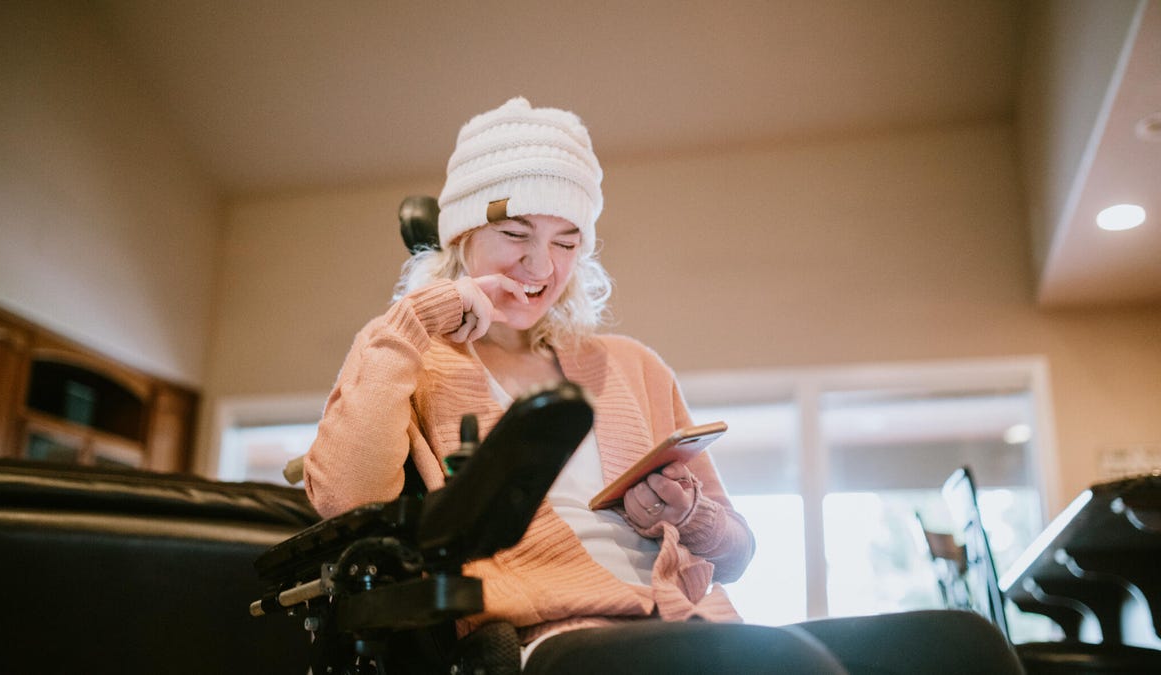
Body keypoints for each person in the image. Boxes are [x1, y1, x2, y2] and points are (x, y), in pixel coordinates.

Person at [303, 97, 1024, 675]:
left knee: (964, 646)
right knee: (772, 663)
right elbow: (344, 499)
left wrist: (683, 514)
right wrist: (415, 317)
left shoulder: (631, 366)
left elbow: (737, 552)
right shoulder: (413, 360)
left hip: (691, 623)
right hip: (548, 640)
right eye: (516, 233)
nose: (540, 266)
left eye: (566, 240)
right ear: (462, 236)